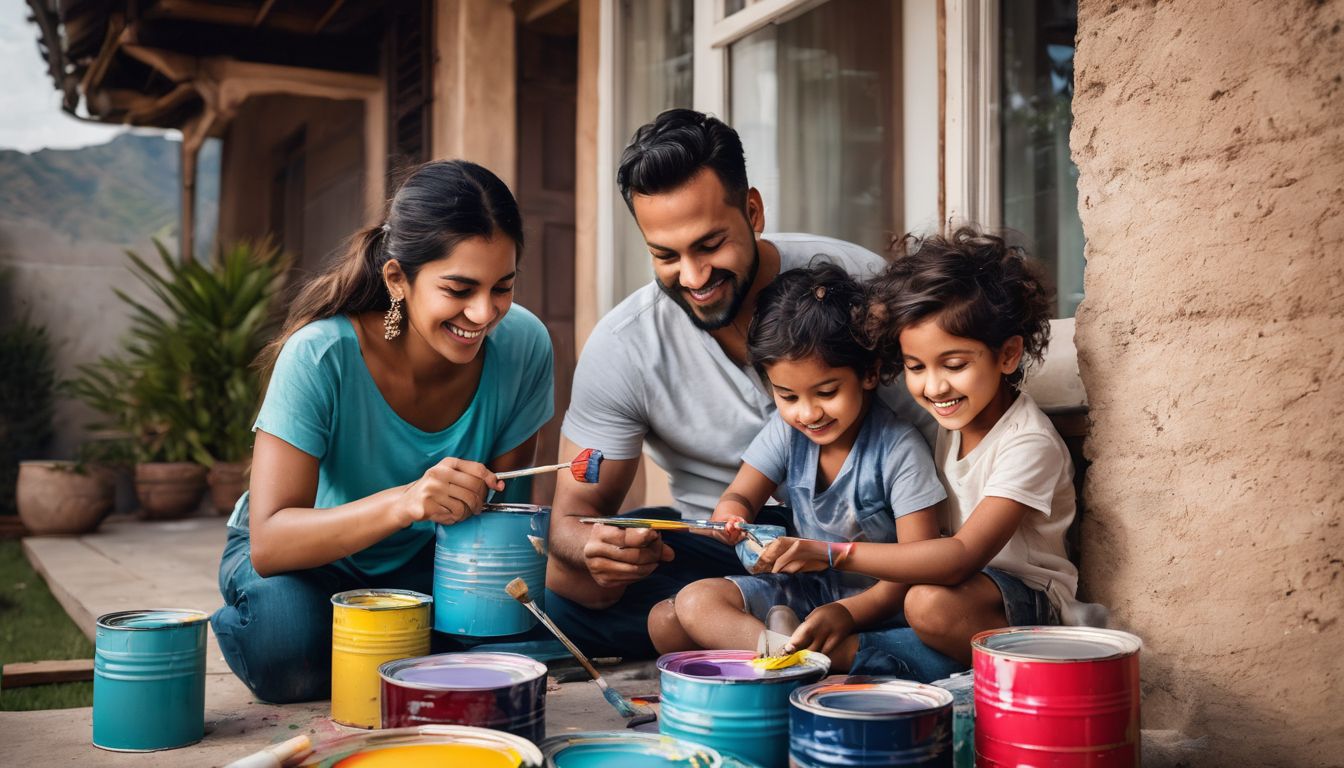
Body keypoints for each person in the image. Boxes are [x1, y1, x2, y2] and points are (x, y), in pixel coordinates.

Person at [543, 108, 933, 658]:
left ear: (753, 211)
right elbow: (572, 514)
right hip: (728, 541)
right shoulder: (625, 344)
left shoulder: (857, 288)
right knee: (569, 590)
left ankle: (765, 636)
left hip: (871, 545)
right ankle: (772, 633)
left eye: (709, 246)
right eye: (665, 255)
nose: (694, 277)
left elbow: (939, 443)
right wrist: (593, 547)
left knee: (934, 592)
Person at [210, 160, 554, 703]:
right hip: (308, 561)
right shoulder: (321, 354)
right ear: (398, 279)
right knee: (284, 645)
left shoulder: (524, 345)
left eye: (502, 287)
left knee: (513, 637)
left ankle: (395, 648)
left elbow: (502, 519)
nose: (484, 313)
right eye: (459, 288)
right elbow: (272, 542)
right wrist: (406, 502)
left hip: (433, 559)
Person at [749, 226, 1081, 677]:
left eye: (955, 365)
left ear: (1007, 355)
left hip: (1025, 605)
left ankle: (1032, 677)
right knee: (911, 597)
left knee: (925, 602)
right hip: (959, 588)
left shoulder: (1028, 442)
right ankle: (879, 655)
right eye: (915, 367)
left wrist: (832, 552)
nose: (934, 386)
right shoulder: (955, 420)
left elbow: (960, 555)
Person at [646, 264, 946, 670]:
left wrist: (849, 613)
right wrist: (732, 517)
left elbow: (916, 566)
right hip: (805, 591)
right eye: (787, 396)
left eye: (826, 392)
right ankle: (795, 657)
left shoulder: (898, 450)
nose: (808, 413)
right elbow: (740, 493)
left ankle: (792, 659)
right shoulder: (786, 433)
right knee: (673, 616)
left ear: (870, 373)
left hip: (876, 607)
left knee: (692, 625)